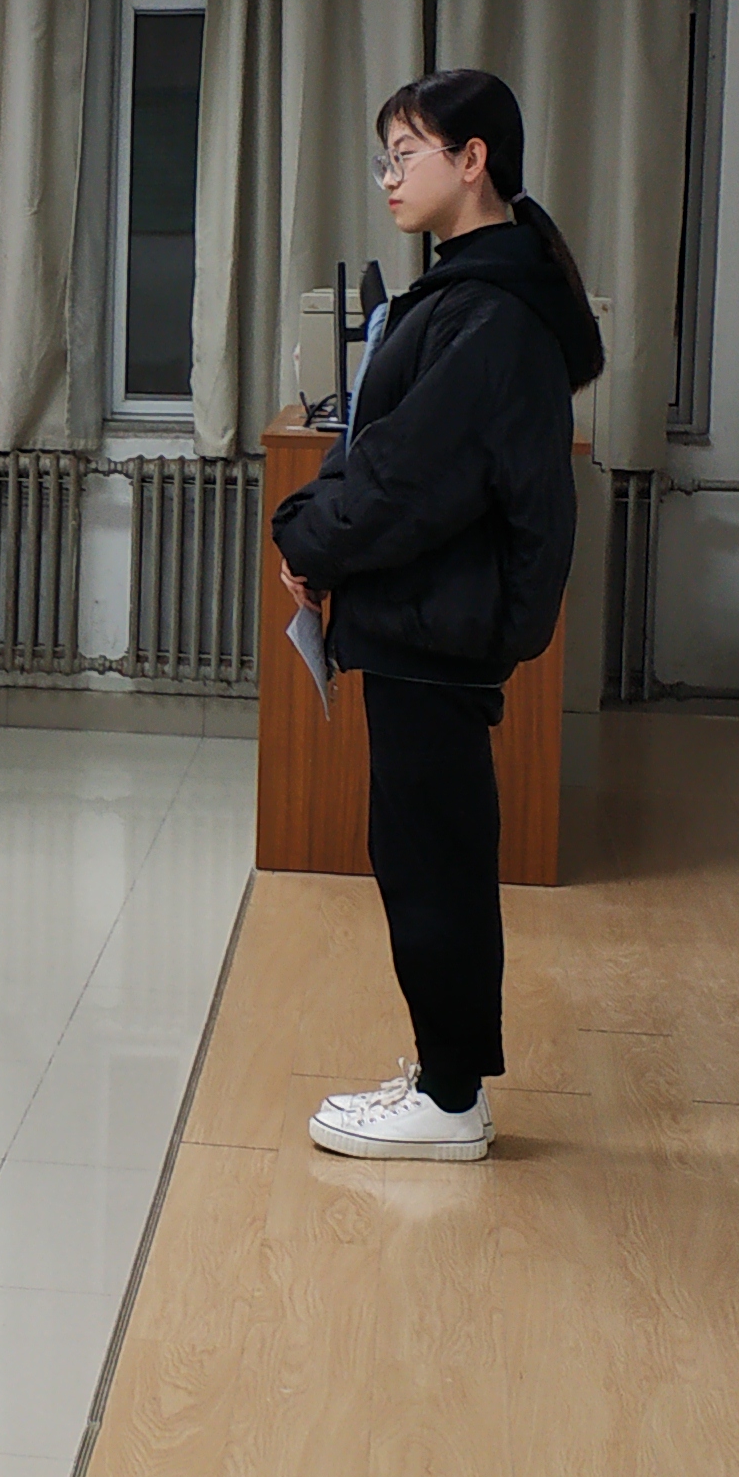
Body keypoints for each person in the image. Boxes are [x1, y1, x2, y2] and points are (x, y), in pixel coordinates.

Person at [271, 70, 605, 1165]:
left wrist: (305, 536)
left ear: (473, 160)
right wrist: (315, 531)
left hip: (438, 623)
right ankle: (443, 1077)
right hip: (428, 616)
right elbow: (382, 452)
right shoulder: (473, 291)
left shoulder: (491, 311)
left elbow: (411, 477)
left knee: (433, 860)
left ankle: (452, 1100)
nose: (388, 177)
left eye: (406, 153)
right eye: (385, 157)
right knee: (423, 850)